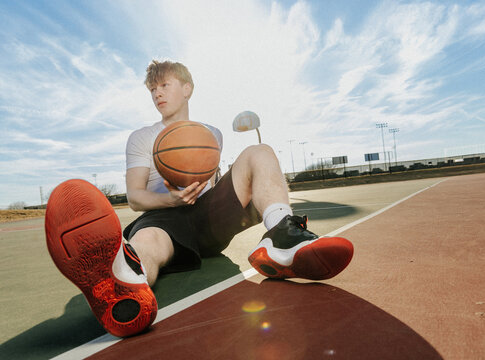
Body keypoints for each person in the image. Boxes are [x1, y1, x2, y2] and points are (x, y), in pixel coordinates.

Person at [45, 60, 354, 338]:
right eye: (153, 89)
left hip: (208, 216)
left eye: (164, 85)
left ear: (187, 88)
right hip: (163, 216)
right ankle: (126, 283)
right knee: (149, 241)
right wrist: (173, 200)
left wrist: (234, 193)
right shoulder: (141, 137)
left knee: (259, 152)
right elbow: (136, 197)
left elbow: (218, 183)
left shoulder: (212, 134)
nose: (157, 94)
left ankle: (283, 237)